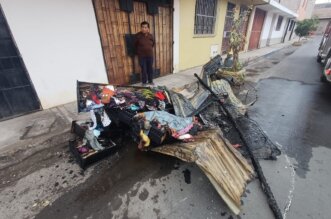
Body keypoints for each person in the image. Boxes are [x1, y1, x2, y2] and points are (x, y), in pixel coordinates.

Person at [134, 21, 155, 85]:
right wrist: (139, 51)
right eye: (142, 27)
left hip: (150, 56)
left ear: (148, 28)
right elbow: (135, 45)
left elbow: (153, 44)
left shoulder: (151, 36)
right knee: (144, 70)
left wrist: (148, 48)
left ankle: (150, 81)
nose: (144, 29)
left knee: (150, 69)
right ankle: (144, 82)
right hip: (142, 57)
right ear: (141, 28)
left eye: (145, 27)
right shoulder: (137, 35)